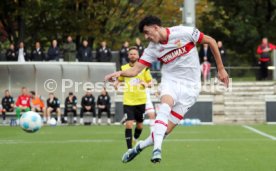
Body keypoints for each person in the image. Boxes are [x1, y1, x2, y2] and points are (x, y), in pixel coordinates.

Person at [105, 15, 229, 163]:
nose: (146, 37)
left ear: (155, 28)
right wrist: (120, 73)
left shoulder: (183, 32)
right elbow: (135, 70)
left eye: (147, 32)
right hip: (171, 81)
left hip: (191, 88)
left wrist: (220, 69)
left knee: (165, 130)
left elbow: (211, 41)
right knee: (165, 104)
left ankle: (139, 146)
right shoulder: (151, 49)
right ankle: (157, 150)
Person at [114, 46, 152, 149]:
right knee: (129, 124)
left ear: (138, 56)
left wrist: (146, 83)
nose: (133, 55)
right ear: (128, 55)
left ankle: (135, 139)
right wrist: (116, 83)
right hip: (128, 101)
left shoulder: (144, 68)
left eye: (135, 54)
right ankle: (129, 149)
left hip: (141, 100)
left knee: (140, 126)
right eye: (131, 54)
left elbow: (151, 82)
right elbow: (120, 79)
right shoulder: (124, 68)